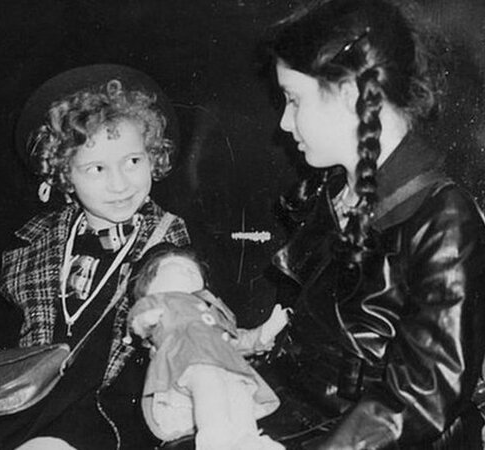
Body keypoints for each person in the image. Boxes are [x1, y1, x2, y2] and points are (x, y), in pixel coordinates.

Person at [260, 0, 485, 448]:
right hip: (307, 419)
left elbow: (424, 397)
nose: (284, 123)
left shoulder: (443, 218)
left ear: (350, 94)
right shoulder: (328, 192)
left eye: (293, 99)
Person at [0, 64, 190, 450]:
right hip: (26, 400)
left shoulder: (167, 244)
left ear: (153, 155)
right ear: (63, 174)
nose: (120, 183)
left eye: (133, 161)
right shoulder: (35, 243)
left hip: (108, 407)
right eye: (97, 168)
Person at [127, 243, 287, 450]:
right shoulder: (158, 302)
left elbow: (233, 341)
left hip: (223, 365)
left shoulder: (210, 313)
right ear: (150, 284)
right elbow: (136, 321)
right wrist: (144, 321)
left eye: (193, 270)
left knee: (241, 391)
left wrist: (265, 332)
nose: (188, 270)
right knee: (207, 380)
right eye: (177, 267)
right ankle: (215, 440)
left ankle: (247, 439)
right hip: (186, 364)